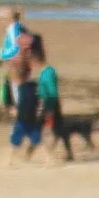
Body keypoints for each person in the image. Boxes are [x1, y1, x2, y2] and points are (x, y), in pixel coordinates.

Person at [33, 34, 77, 162]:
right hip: (48, 102)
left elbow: (52, 92)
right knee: (58, 129)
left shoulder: (49, 72)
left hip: (50, 103)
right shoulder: (45, 72)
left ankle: (31, 154)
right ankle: (68, 153)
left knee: (47, 129)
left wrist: (49, 108)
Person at [7, 34, 46, 158]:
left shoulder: (25, 87)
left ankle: (9, 160)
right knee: (35, 138)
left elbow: (26, 102)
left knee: (17, 138)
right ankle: (47, 159)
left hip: (23, 117)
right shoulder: (29, 86)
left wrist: (16, 111)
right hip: (27, 116)